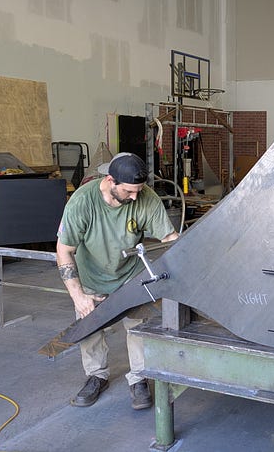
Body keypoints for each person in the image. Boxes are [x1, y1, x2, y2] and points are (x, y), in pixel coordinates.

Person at [56, 152, 179, 408]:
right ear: (110, 180)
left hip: (131, 274)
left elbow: (169, 239)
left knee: (138, 326)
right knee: (90, 328)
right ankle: (96, 376)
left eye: (139, 190)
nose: (135, 197)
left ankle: (139, 377)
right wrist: (78, 296)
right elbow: (64, 250)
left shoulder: (146, 198)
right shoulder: (82, 202)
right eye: (129, 191)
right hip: (92, 276)